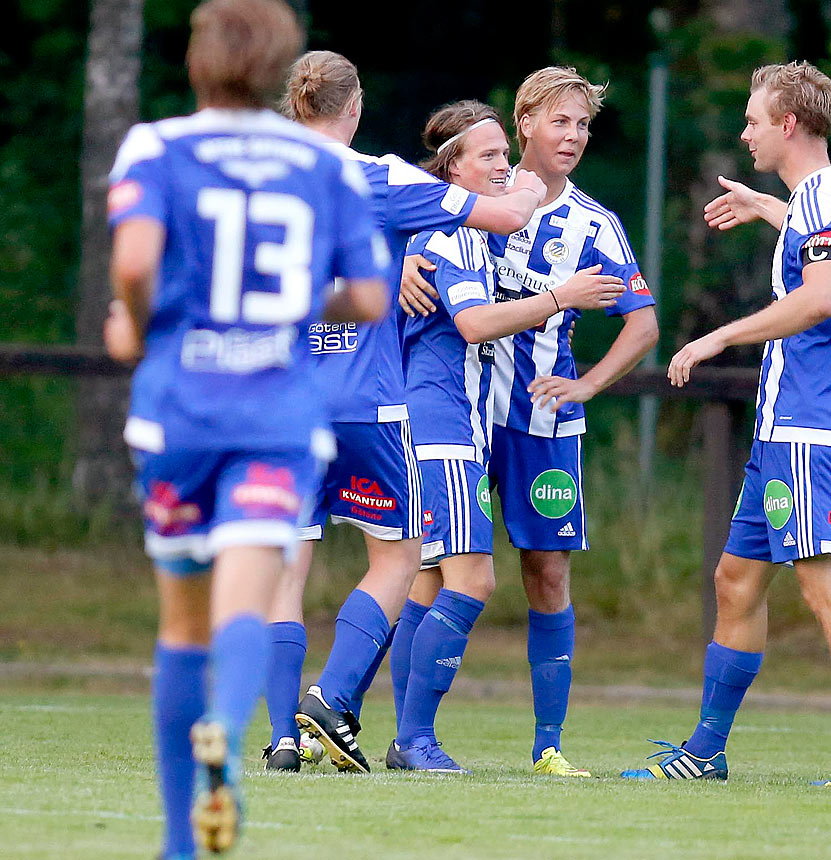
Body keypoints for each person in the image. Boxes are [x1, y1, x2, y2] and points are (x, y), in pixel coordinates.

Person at [103, 0, 388, 853]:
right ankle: (226, 729)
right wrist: (302, 300)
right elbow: (370, 298)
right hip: (276, 416)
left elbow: (133, 263)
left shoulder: (156, 147)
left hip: (181, 410)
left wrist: (137, 321)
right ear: (281, 69)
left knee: (182, 624)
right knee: (244, 600)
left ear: (196, 61)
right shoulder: (328, 167)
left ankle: (180, 839)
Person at [619, 61, 831, 787]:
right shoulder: (819, 200)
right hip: (783, 432)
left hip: (811, 431)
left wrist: (721, 336)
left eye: (753, 120)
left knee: (824, 585)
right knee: (736, 579)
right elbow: (820, 252)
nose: (744, 131)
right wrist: (766, 209)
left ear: (788, 125)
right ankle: (706, 751)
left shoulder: (825, 203)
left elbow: (820, 297)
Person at [262, 50, 547, 775]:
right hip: (367, 402)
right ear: (353, 106)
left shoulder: (261, 179)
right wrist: (532, 184)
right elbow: (508, 213)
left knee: (286, 574)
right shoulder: (380, 176)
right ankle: (329, 699)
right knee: (397, 557)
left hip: (283, 402)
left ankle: (283, 740)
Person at [399, 66, 659, 778]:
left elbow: (643, 324)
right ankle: (407, 732)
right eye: (559, 122)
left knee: (546, 574)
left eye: (582, 124)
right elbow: (409, 239)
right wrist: (400, 268)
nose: (572, 136)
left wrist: (589, 384)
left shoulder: (594, 225)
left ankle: (548, 746)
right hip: (466, 415)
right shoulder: (476, 201)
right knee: (434, 574)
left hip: (543, 423)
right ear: (523, 126)